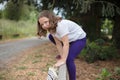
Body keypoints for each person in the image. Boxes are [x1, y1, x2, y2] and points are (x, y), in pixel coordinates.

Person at [37, 10, 86, 80]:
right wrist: (62, 56)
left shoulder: (60, 25)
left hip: (79, 39)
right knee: (51, 37)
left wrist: (64, 59)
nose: (44, 25)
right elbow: (58, 43)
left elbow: (66, 43)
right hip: (70, 40)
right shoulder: (50, 28)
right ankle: (65, 54)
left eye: (45, 22)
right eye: (42, 24)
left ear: (51, 18)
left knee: (69, 59)